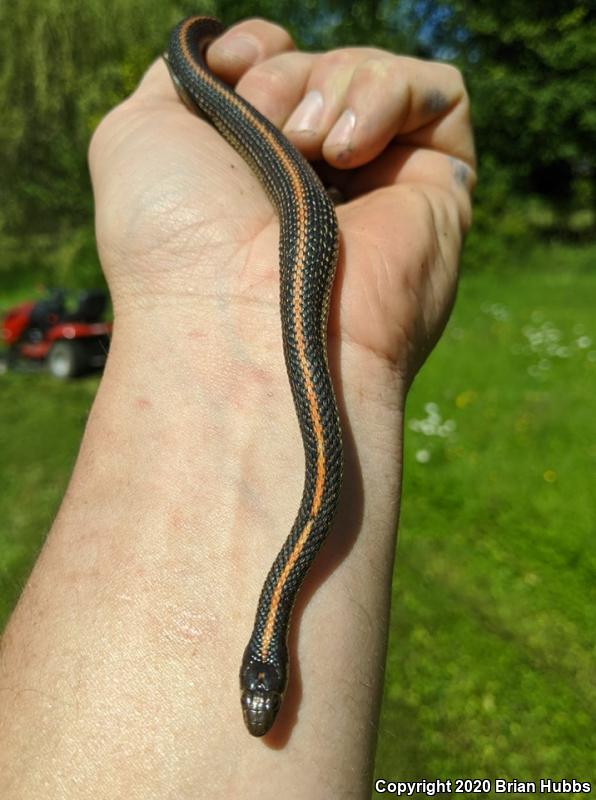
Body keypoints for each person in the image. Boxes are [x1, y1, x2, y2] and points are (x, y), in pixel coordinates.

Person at [0, 18, 475, 798]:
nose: (266, 704)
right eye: (268, 690)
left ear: (265, 659)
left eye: (261, 691)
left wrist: (358, 356)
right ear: (272, 664)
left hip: (301, 234)